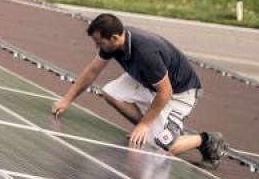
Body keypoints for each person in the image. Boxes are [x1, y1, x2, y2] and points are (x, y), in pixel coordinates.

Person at [53, 13, 227, 168]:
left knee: (162, 147)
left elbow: (165, 92)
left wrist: (144, 125)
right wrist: (67, 99)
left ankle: (207, 141)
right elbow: (93, 70)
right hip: (150, 83)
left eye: (100, 43)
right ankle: (151, 129)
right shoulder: (115, 43)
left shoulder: (146, 53)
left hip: (179, 94)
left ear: (114, 38)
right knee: (111, 92)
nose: (97, 47)